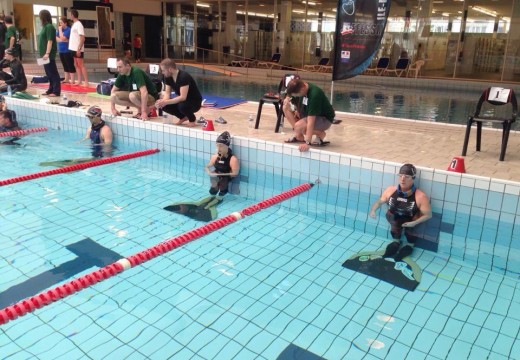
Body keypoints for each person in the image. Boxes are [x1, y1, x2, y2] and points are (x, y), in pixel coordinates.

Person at [369, 163, 432, 261]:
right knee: (394, 225)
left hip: (410, 222)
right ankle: (396, 241)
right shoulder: (390, 190)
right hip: (395, 220)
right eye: (400, 176)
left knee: (410, 235)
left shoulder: (420, 196)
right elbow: (379, 201)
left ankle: (410, 245)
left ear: (413, 178)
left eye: (407, 176)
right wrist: (373, 210)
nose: (403, 179)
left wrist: (414, 222)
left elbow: (428, 215)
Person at [285, 78, 335, 152]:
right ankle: (299, 136)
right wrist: (287, 100)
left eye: (296, 94)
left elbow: (311, 121)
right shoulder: (303, 86)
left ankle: (321, 134)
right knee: (285, 107)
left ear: (302, 89)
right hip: (307, 114)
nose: (296, 96)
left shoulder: (314, 94)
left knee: (299, 126)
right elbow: (290, 95)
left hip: (325, 119)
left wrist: (307, 143)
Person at [155, 58, 202, 127]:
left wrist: (166, 102)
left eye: (163, 70)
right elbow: (167, 93)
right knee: (163, 106)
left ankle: (192, 119)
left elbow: (183, 97)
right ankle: (183, 117)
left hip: (194, 102)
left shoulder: (183, 76)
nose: (162, 72)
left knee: (182, 106)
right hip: (184, 101)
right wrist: (162, 102)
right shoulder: (168, 77)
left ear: (170, 69)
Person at [205, 131, 240, 196]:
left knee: (223, 181)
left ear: (227, 146)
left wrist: (222, 174)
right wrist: (210, 172)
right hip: (217, 177)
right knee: (212, 191)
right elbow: (207, 166)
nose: (218, 148)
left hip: (225, 178)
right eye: (217, 145)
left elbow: (235, 174)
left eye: (221, 146)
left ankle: (221, 195)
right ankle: (213, 194)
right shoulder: (215, 157)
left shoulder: (233, 159)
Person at [38, 10, 61, 97]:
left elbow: (50, 41)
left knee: (53, 72)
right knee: (48, 73)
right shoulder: (45, 27)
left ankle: (56, 91)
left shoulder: (49, 27)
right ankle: (51, 89)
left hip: (48, 55)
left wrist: (47, 53)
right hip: (44, 55)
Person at [68, 9, 89, 87]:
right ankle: (79, 81)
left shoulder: (79, 24)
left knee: (81, 64)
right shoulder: (74, 24)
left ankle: (86, 81)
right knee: (76, 64)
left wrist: (79, 48)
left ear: (73, 15)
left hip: (77, 48)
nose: (70, 16)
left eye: (70, 15)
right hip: (73, 48)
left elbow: (82, 38)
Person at [56, 16, 76, 84]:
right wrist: (62, 39)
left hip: (67, 51)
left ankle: (72, 80)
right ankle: (66, 79)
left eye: (61, 23)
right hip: (61, 50)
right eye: (59, 23)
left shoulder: (68, 29)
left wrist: (61, 32)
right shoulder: (59, 30)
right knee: (64, 65)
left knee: (70, 64)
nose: (60, 24)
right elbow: (56, 38)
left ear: (65, 23)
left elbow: (62, 38)